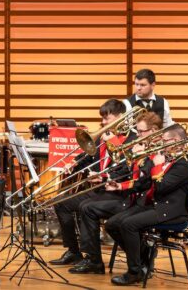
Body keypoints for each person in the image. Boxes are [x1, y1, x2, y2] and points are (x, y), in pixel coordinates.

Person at [70, 112, 161, 276]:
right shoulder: (143, 145)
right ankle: (96, 259)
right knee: (86, 208)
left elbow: (146, 179)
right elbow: (129, 171)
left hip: (143, 202)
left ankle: (140, 257)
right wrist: (111, 180)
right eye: (138, 131)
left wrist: (121, 181)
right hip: (130, 195)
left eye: (141, 131)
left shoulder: (158, 150)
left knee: (93, 211)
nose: (138, 135)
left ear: (153, 131)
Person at [106, 123, 188, 286]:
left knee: (128, 225)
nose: (161, 144)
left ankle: (134, 272)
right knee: (112, 224)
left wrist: (157, 165)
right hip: (155, 205)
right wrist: (119, 186)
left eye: (164, 141)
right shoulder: (167, 158)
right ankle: (144, 257)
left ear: (176, 141)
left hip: (170, 211)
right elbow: (146, 183)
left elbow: (161, 187)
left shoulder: (184, 164)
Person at [48, 99, 127, 267]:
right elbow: (88, 156)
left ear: (120, 117)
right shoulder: (104, 136)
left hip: (119, 193)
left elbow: (127, 167)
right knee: (60, 202)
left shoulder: (130, 138)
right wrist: (74, 164)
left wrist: (105, 175)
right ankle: (73, 251)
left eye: (107, 118)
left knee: (86, 206)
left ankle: (93, 259)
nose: (103, 122)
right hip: (100, 190)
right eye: (102, 118)